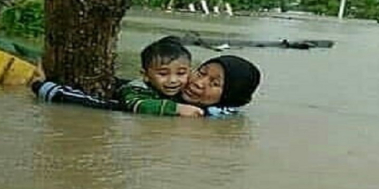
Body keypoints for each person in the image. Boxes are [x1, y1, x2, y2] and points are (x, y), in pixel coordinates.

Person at [31, 39, 261, 117]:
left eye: (215, 83)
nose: (199, 82)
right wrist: (42, 86)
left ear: (229, 95)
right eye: (201, 72)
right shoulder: (147, 90)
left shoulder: (217, 116)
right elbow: (122, 104)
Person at [116, 36, 205, 117]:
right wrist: (176, 108)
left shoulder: (186, 90)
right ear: (145, 75)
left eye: (181, 73)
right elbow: (139, 105)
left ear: (190, 72)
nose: (173, 80)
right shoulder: (135, 89)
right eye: (163, 74)